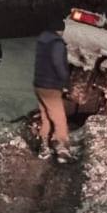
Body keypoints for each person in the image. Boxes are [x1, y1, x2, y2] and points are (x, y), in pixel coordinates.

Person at [33, 18, 71, 163]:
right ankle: (62, 151)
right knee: (59, 118)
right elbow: (58, 64)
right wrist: (66, 80)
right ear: (59, 30)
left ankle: (44, 148)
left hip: (39, 85)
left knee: (46, 117)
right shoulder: (57, 43)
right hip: (51, 87)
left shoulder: (42, 41)